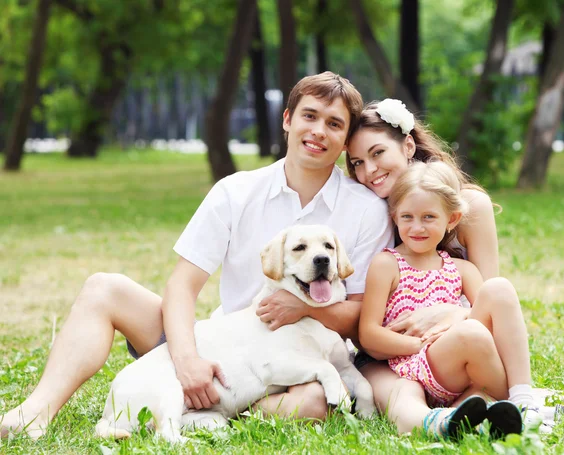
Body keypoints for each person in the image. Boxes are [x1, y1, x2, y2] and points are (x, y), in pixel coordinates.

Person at [0, 72, 394, 440]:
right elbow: (183, 286)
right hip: (217, 342)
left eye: (334, 124)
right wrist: (187, 359)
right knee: (104, 288)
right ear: (288, 119)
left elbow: (359, 316)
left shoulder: (364, 209)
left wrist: (303, 309)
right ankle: (35, 411)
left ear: (345, 140)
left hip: (298, 356)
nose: (318, 131)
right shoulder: (235, 191)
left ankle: (224, 411)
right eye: (310, 116)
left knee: (312, 402)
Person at [346, 99, 548, 435]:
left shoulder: (467, 207)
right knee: (402, 397)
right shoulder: (364, 212)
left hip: (462, 345)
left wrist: (453, 316)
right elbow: (369, 332)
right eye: (356, 162)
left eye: (378, 153)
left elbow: (492, 301)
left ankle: (516, 404)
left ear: (408, 144)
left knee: (482, 367)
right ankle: (442, 423)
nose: (369, 171)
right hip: (391, 356)